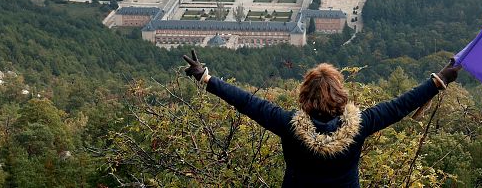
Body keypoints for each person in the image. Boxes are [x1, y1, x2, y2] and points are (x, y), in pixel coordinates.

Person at [183, 50, 460, 187]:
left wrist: (206, 78)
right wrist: (439, 80)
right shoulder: (361, 125)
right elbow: (401, 105)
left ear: (304, 94)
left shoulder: (287, 124)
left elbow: (246, 101)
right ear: (341, 94)